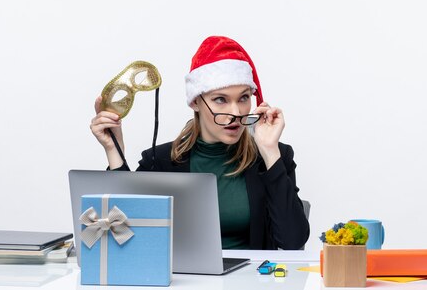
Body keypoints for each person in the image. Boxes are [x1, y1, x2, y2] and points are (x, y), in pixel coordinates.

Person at [90, 35, 310, 250]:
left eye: (243, 98)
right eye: (220, 99)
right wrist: (113, 149)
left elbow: (293, 240)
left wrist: (270, 152)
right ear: (195, 102)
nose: (235, 112)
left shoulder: (272, 156)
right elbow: (125, 233)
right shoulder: (161, 161)